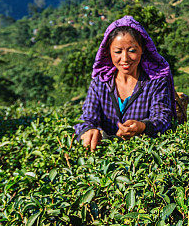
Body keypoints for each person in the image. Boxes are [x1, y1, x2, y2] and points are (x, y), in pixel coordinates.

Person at [75, 15, 176, 149]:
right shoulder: (100, 83)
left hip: (143, 155)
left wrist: (142, 127)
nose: (125, 59)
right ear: (109, 52)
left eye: (132, 51)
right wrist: (88, 130)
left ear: (142, 49)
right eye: (117, 51)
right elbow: (87, 118)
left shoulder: (155, 82)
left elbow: (162, 118)